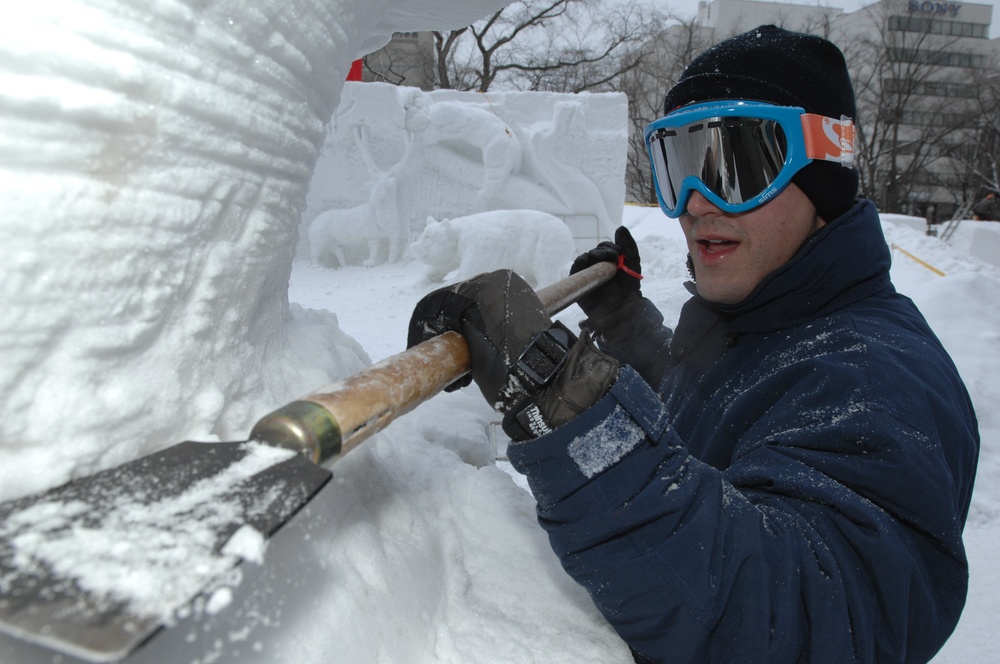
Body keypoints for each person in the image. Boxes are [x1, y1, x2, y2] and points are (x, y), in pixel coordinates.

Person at [407, 26, 979, 663]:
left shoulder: (875, 378)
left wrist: (563, 399)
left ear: (823, 173)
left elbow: (789, 621)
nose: (697, 202)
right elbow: (704, 421)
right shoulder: (765, 325)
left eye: (737, 166)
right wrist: (624, 322)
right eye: (677, 166)